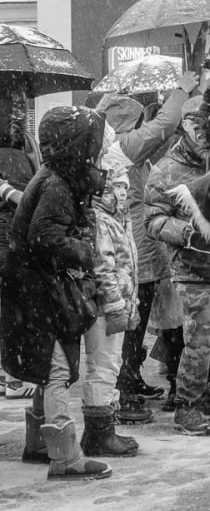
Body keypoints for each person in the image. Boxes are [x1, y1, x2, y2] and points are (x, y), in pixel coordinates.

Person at [0, 105, 113, 480]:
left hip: (29, 286)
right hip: (38, 289)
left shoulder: (54, 177)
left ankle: (38, 445)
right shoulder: (58, 185)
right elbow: (45, 237)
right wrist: (84, 250)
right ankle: (65, 457)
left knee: (47, 365)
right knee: (57, 370)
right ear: (78, 145)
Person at [144, 95, 210, 434]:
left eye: (208, 120)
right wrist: (183, 231)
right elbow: (153, 219)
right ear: (183, 125)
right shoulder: (166, 169)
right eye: (194, 121)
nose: (202, 129)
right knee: (199, 342)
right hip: (194, 271)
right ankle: (187, 404)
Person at [94, 70, 199, 424]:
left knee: (139, 313)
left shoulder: (123, 153)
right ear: (126, 123)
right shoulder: (121, 149)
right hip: (133, 246)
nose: (143, 124)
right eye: (138, 118)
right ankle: (124, 392)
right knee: (131, 320)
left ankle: (131, 380)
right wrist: (181, 90)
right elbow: (163, 126)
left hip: (140, 245)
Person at [79, 144, 141, 457]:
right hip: (105, 309)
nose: (123, 193)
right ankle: (98, 434)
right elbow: (104, 267)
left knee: (110, 365)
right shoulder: (100, 221)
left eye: (126, 188)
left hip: (116, 306)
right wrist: (117, 305)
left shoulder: (117, 220)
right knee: (102, 365)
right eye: (118, 186)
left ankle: (104, 428)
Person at [0, 89, 40, 401]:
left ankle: (10, 372)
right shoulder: (21, 143)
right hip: (10, 237)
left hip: (17, 237)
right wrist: (13, 195)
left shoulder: (25, 141)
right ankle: (11, 375)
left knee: (13, 308)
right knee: (12, 308)